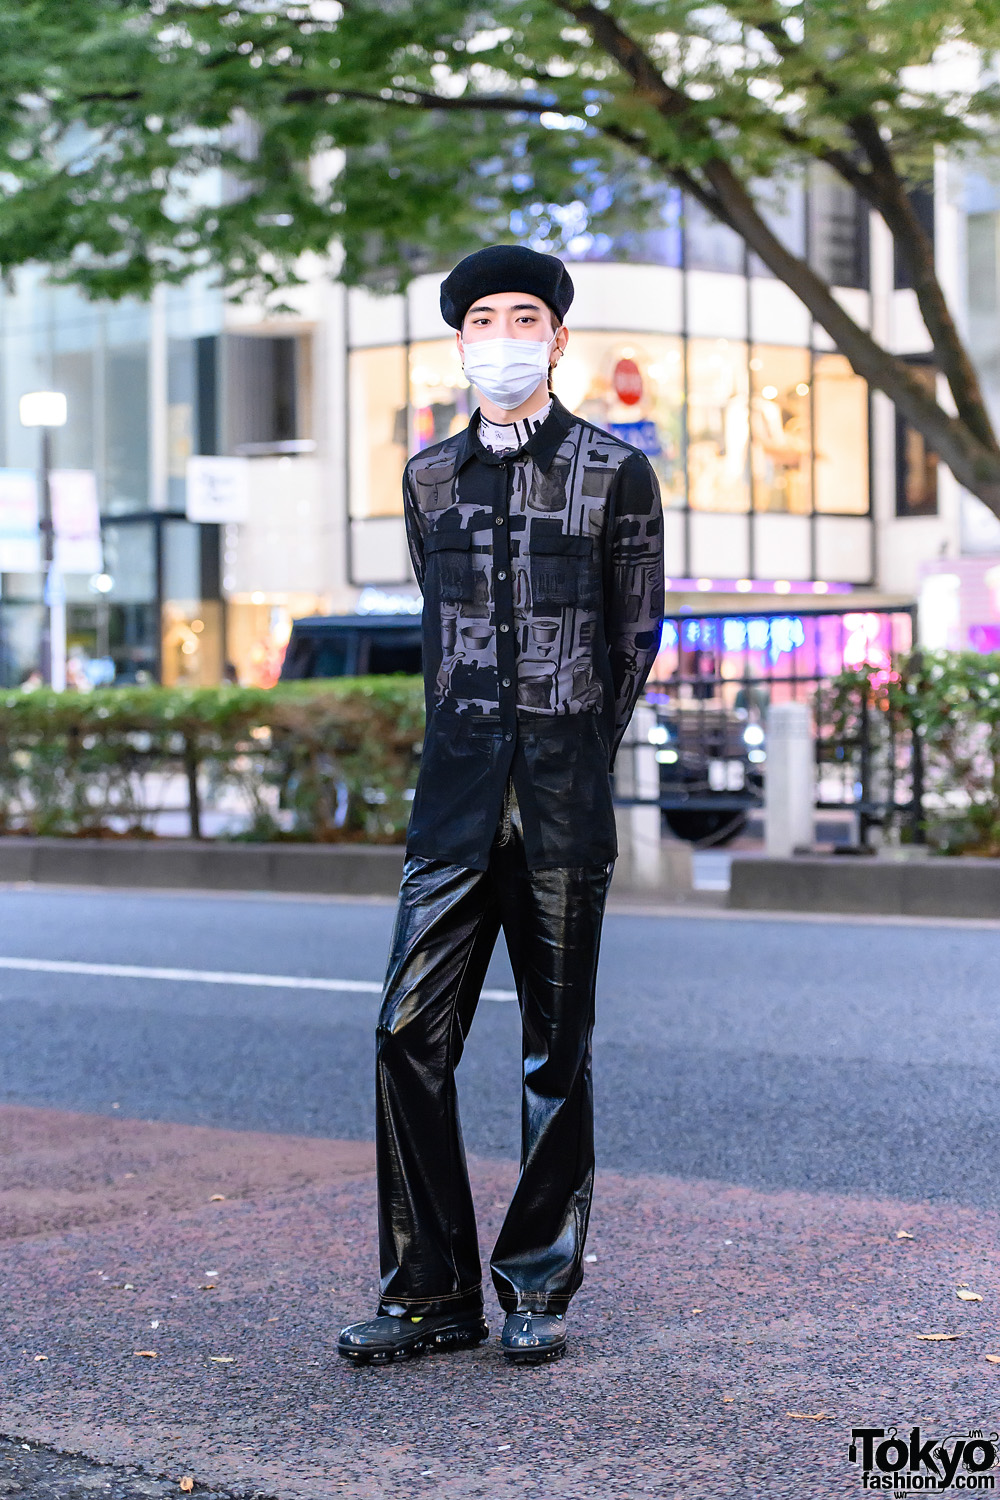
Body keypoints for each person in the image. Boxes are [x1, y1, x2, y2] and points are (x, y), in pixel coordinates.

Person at [338, 244, 664, 1367]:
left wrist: (568, 749)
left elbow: (632, 644)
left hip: (566, 810)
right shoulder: (429, 478)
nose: (507, 334)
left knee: (552, 1053)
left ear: (558, 339)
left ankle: (534, 1285)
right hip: (453, 806)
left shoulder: (616, 470)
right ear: (463, 342)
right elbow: (441, 626)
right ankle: (426, 1290)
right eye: (486, 318)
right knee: (402, 1036)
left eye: (528, 315)